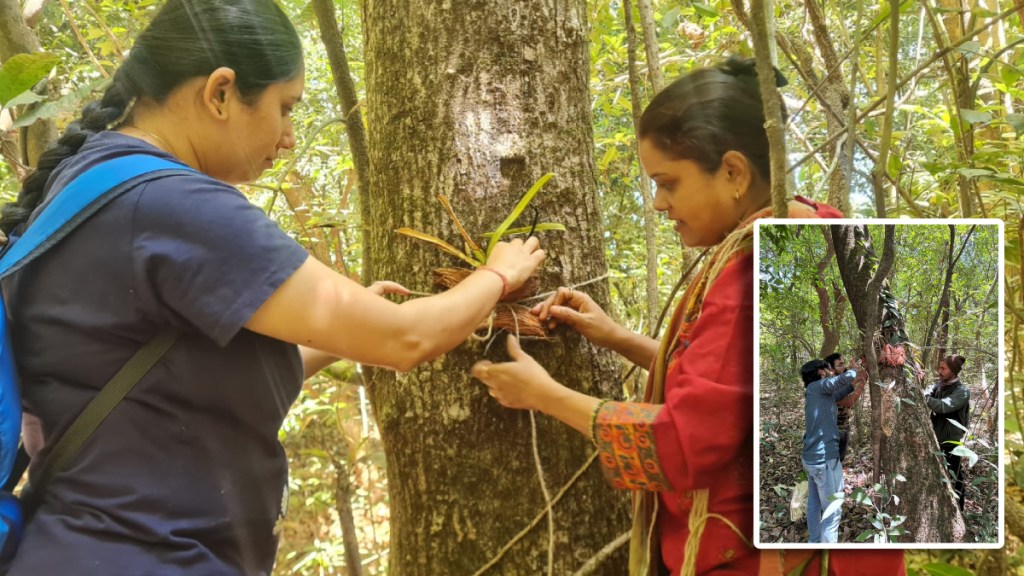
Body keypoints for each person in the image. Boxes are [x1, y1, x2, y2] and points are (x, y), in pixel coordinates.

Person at [0, 1, 545, 574]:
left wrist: (336, 337)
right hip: (146, 554)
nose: (287, 138)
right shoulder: (172, 205)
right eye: (285, 109)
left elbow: (168, 381)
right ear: (221, 93)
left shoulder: (87, 182)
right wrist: (497, 275)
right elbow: (406, 339)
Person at [472, 57, 904, 575]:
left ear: (733, 172)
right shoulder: (817, 229)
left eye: (668, 182)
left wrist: (543, 395)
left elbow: (680, 446)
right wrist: (617, 337)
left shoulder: (751, 268)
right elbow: (740, 394)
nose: (657, 203)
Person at [800, 359, 865, 543]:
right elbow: (840, 382)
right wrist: (853, 369)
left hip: (813, 459)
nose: (833, 373)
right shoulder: (818, 387)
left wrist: (860, 379)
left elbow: (843, 391)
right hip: (824, 459)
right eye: (830, 370)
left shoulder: (817, 393)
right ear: (821, 373)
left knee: (814, 505)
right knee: (832, 512)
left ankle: (814, 542)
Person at [925, 354, 970, 512]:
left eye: (943, 368)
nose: (939, 371)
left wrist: (925, 398)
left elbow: (942, 406)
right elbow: (929, 389)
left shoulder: (962, 391)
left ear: (954, 371)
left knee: (955, 476)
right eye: (940, 367)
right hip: (935, 437)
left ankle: (959, 510)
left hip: (951, 441)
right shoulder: (940, 385)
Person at [824, 352, 863, 463]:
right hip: (833, 431)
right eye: (840, 365)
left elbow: (854, 377)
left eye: (844, 364)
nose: (844, 367)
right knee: (832, 463)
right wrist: (862, 383)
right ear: (831, 370)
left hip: (844, 427)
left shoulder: (842, 378)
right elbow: (849, 402)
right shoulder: (828, 384)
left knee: (839, 461)